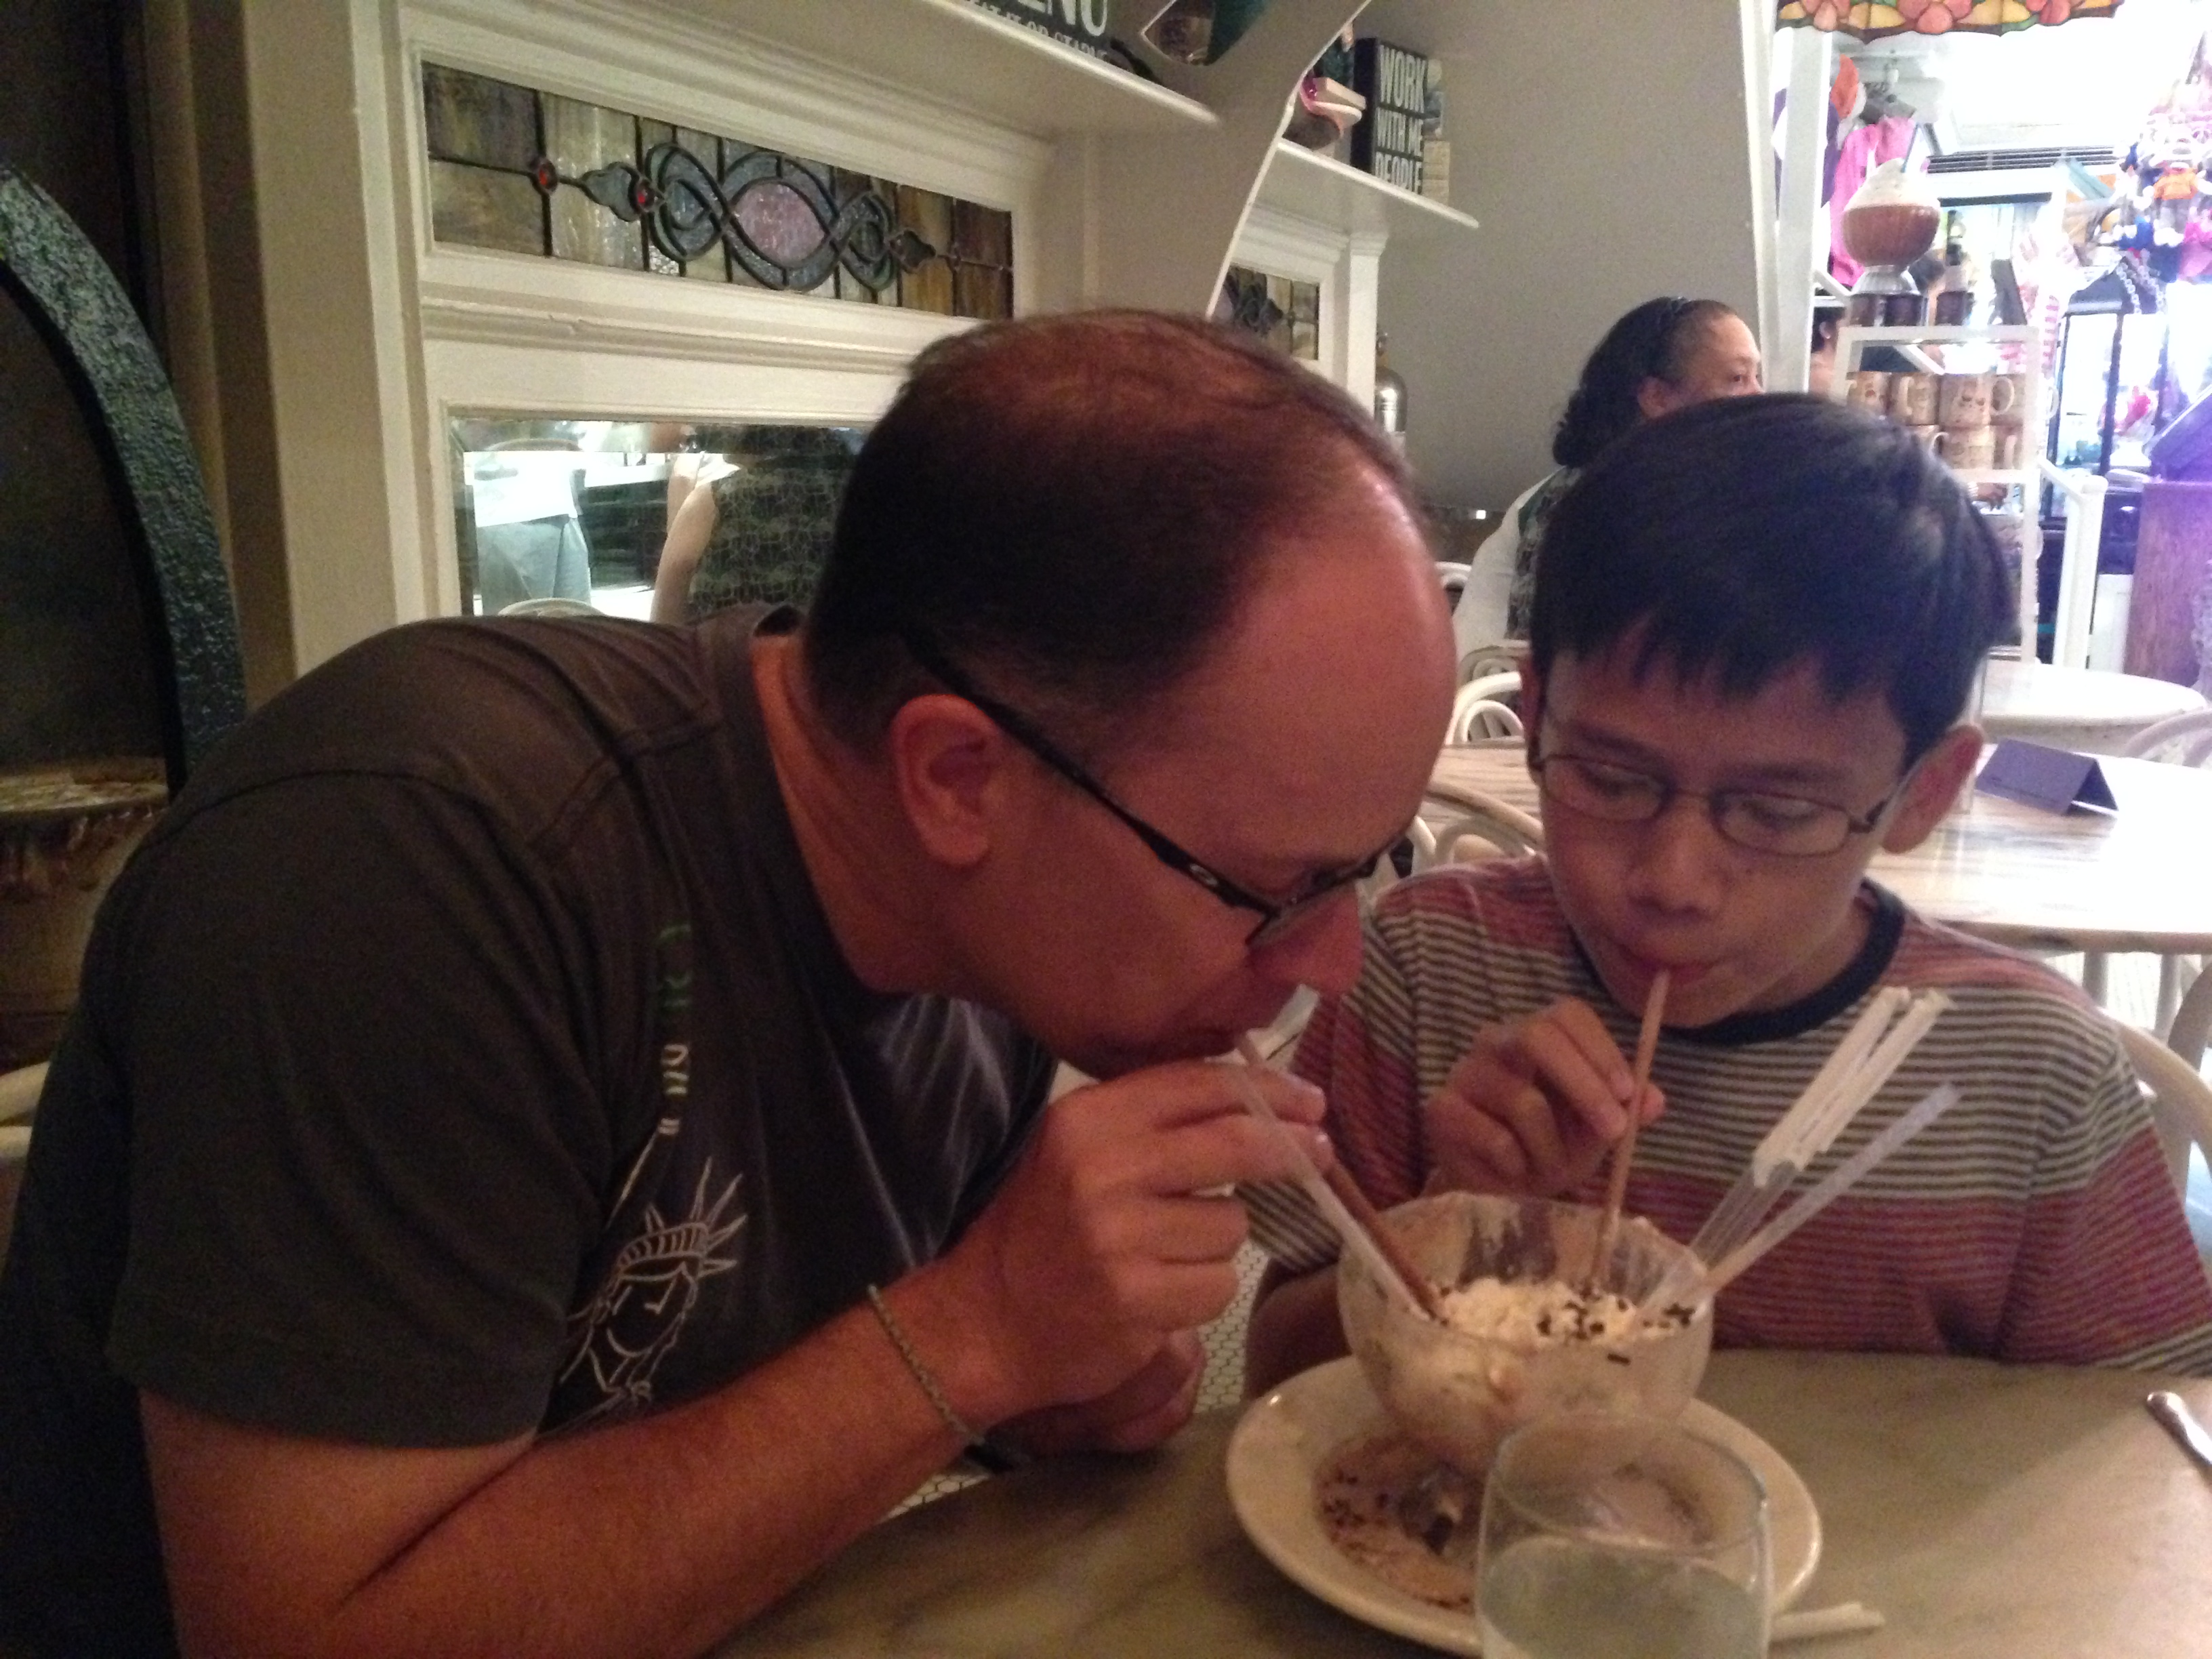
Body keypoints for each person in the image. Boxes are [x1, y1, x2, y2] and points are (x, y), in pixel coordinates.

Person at [0, 310, 1458, 1658]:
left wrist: (1058, 1381)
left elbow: (832, 1410)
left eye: (1365, 869)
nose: (1331, 960)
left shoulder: (983, 946)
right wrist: (975, 1332)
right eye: (1279, 889)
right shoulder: (414, 864)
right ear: (957, 777)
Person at [1248, 394, 2212, 1393]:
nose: (1673, 881)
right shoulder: (1429, 966)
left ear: (1924, 791)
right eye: (1611, 779)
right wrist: (1455, 1213)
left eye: (1779, 811)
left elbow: (2147, 1432)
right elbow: (1274, 1374)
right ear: (1536, 716)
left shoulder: (2032, 1073)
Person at [1451, 296, 1763, 664]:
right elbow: (1555, 663)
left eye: (1756, 376)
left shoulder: (1697, 492)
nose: (1760, 396)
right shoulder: (1579, 504)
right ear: (1657, 398)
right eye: (1737, 379)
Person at [649, 426, 863, 624]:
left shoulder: (710, 502)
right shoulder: (862, 495)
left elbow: (663, 626)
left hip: (732, 652)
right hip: (839, 651)